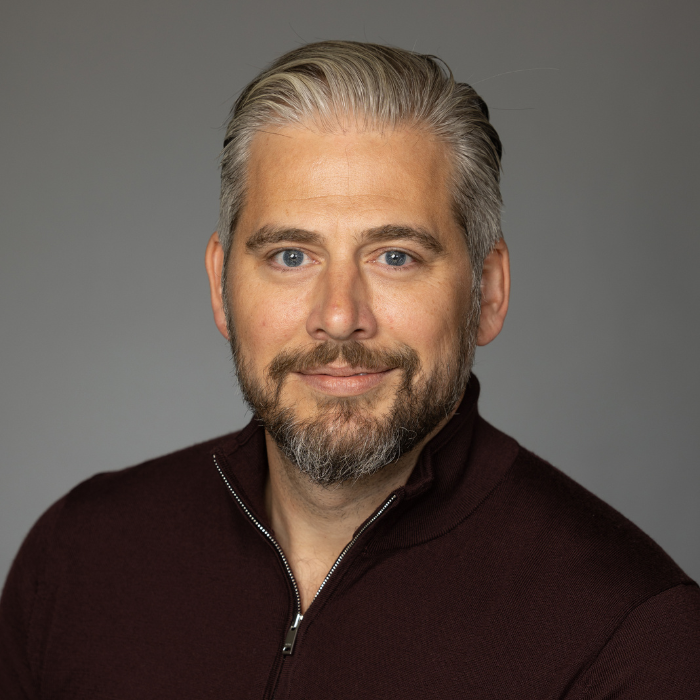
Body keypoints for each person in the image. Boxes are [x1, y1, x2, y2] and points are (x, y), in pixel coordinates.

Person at [1, 40, 698, 699]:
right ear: (220, 285)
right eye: (291, 256)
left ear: (487, 291)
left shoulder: (633, 635)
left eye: (395, 256)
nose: (338, 317)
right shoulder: (77, 558)